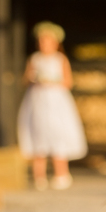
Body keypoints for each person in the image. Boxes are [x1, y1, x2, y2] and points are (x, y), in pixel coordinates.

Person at [17, 21, 87, 191]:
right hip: (38, 102)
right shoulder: (34, 59)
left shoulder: (60, 59)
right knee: (38, 135)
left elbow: (68, 81)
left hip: (56, 102)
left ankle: (61, 174)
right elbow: (25, 80)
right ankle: (38, 176)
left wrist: (51, 81)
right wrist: (34, 79)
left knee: (57, 134)